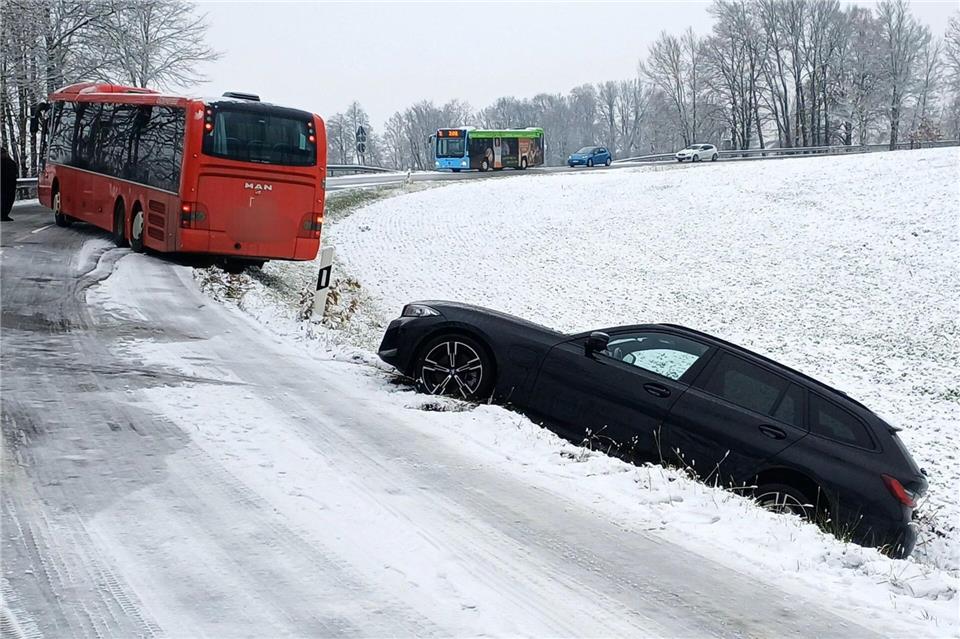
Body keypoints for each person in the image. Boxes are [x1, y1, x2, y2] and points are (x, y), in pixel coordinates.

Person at [1, 147, 17, 222]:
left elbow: (15, 172)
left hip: (9, 185)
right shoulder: (10, 162)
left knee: (7, 200)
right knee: (6, 200)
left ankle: (4, 215)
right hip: (7, 185)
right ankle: (3, 215)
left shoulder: (11, 162)